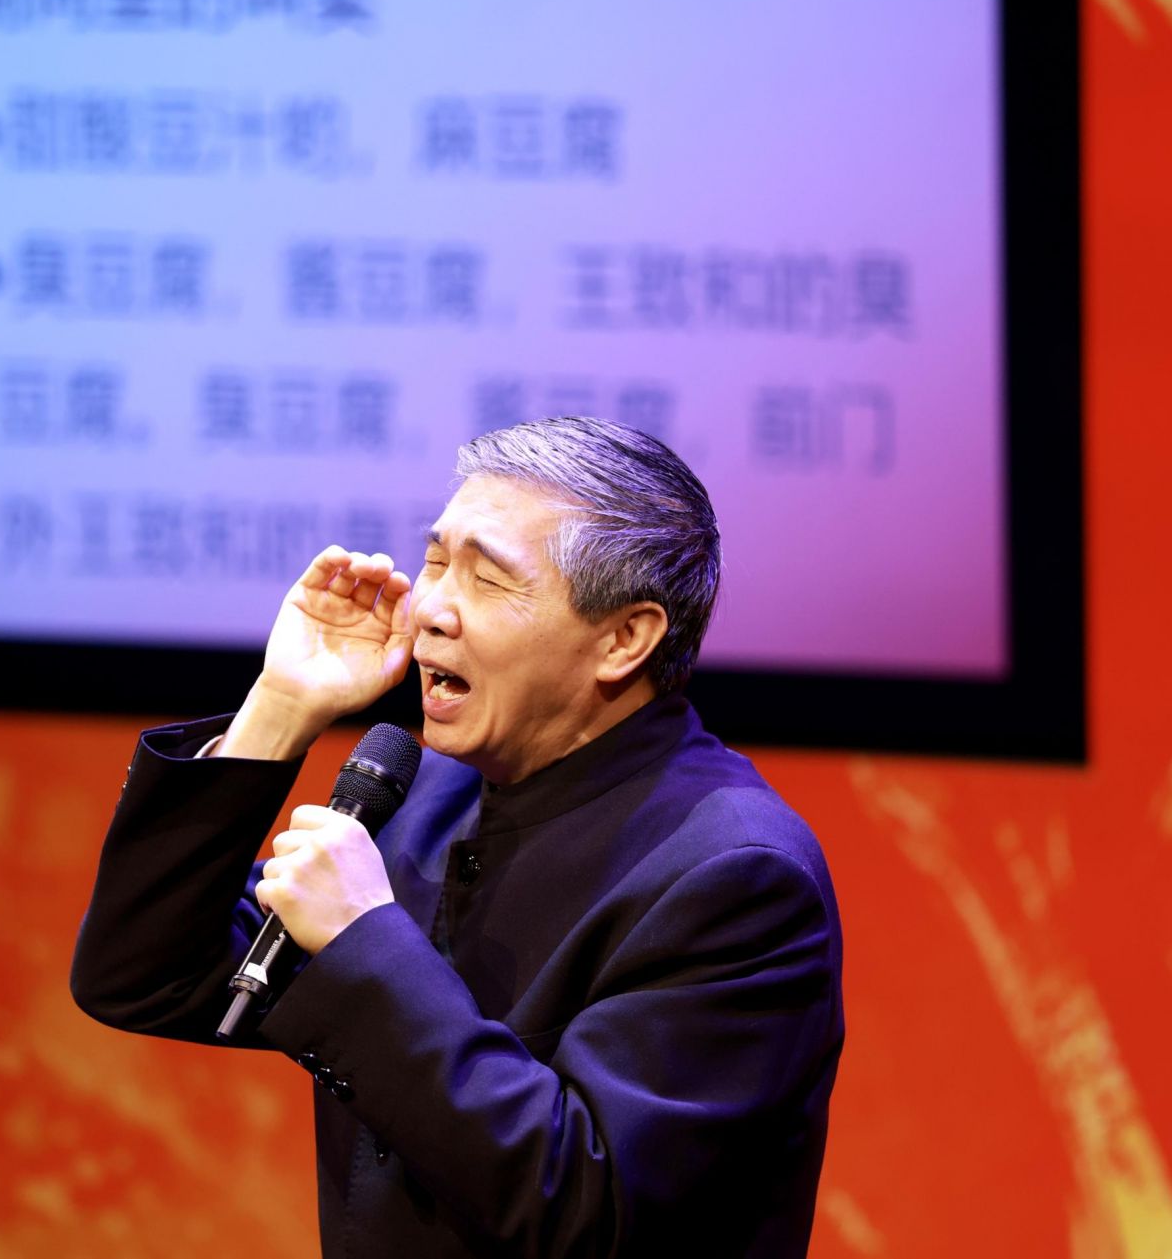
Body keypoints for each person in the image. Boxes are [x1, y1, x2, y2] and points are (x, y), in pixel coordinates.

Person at [70, 416, 844, 1257]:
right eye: (436, 560)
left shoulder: (737, 874)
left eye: (488, 578)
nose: (430, 608)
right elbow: (143, 974)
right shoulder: (425, 796)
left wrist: (364, 941)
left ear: (624, 638)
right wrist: (281, 707)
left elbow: (591, 1211)